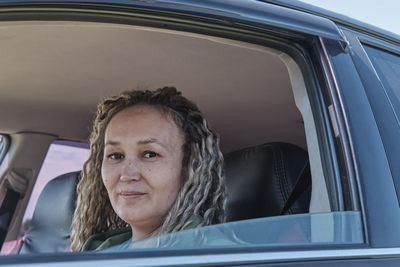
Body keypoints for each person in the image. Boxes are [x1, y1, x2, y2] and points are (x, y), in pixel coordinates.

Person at [70, 87, 226, 251]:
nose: (127, 175)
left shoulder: (218, 255)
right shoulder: (98, 251)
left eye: (150, 154)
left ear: (189, 167)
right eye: (115, 156)